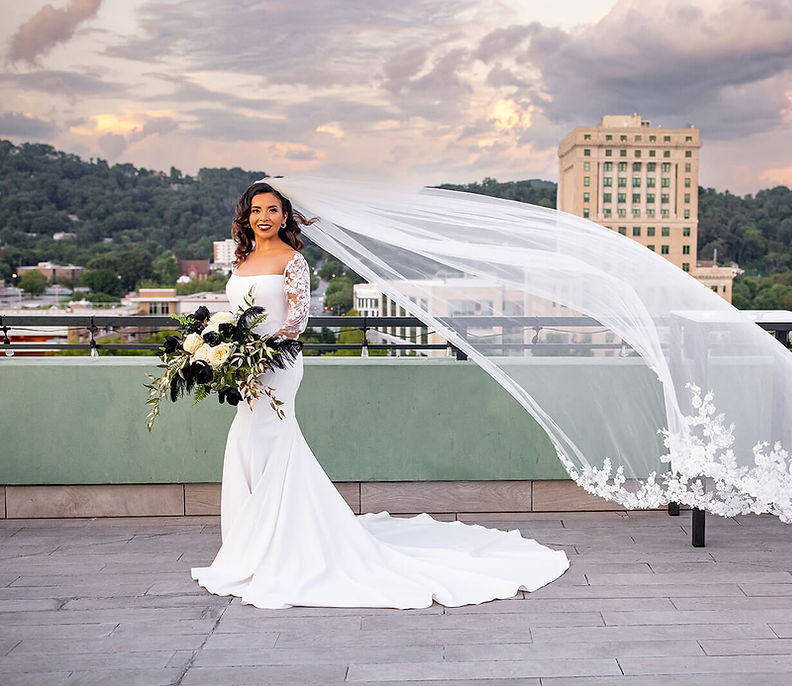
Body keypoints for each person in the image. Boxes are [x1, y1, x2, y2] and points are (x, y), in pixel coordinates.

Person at [190, 182, 570, 609]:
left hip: (277, 365)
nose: (264, 217)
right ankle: (250, 544)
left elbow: (298, 318)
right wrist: (223, 351)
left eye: (272, 209)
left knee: (269, 442)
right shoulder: (241, 260)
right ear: (246, 216)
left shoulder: (292, 260)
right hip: (242, 368)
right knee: (247, 442)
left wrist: (259, 354)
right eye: (256, 209)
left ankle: (273, 546)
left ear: (285, 216)